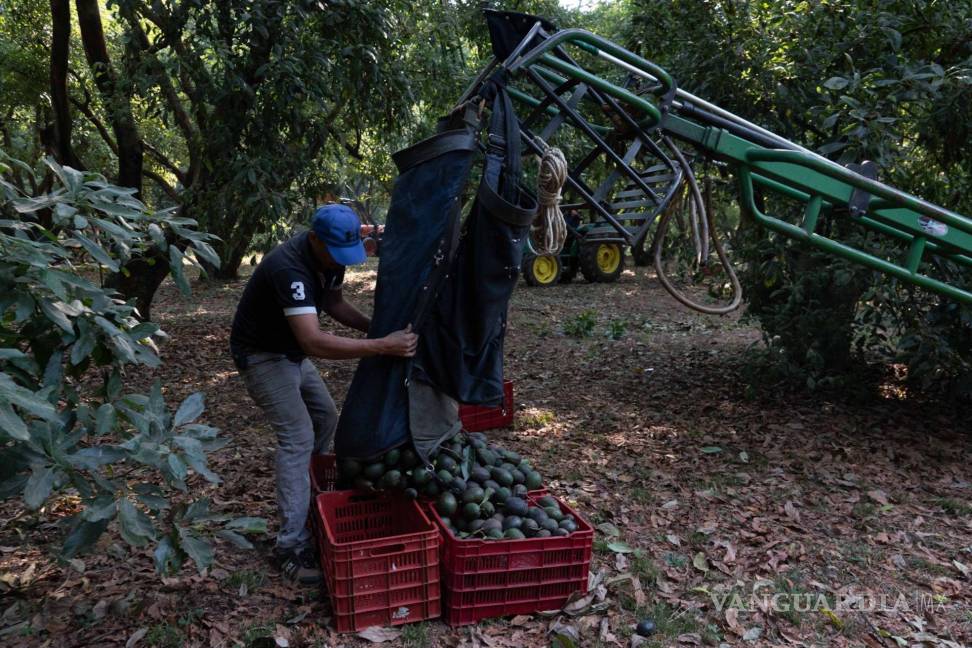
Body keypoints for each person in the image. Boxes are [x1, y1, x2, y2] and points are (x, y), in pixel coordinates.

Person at [229, 203, 417, 584]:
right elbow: (313, 340)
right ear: (314, 238)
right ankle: (290, 545)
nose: (339, 262)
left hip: (291, 352)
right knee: (297, 438)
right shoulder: (289, 267)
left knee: (326, 418)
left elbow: (333, 304)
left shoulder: (330, 256)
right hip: (264, 355)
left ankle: (306, 493)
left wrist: (374, 328)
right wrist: (381, 345)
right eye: (334, 253)